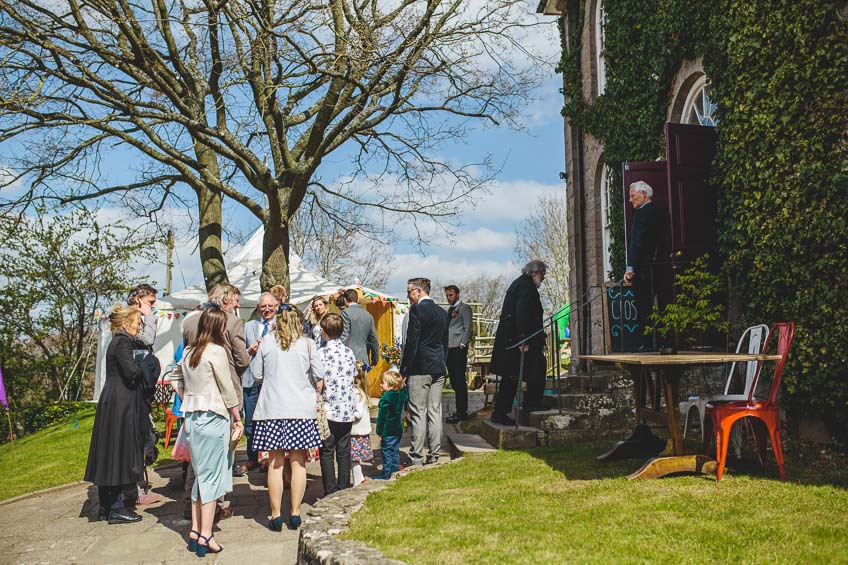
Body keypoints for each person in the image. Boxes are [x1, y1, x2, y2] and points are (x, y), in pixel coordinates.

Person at [171, 308, 242, 557]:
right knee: (211, 478)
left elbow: (173, 376)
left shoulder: (190, 350)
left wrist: (187, 397)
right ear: (218, 327)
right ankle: (206, 534)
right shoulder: (216, 351)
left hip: (191, 417)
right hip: (213, 417)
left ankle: (194, 530)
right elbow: (227, 388)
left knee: (200, 475)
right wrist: (237, 416)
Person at [84, 304, 160, 524]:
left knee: (114, 451)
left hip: (117, 401)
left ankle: (110, 505)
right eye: (138, 323)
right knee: (120, 452)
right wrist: (147, 363)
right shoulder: (122, 342)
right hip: (120, 404)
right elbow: (132, 373)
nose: (140, 326)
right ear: (127, 323)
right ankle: (115, 506)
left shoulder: (120, 342)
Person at [251, 305, 325, 531]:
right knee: (298, 462)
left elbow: (256, 375)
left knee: (275, 464)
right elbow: (320, 373)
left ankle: (275, 515)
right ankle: (294, 512)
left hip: (272, 409)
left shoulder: (266, 343)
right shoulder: (308, 344)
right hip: (300, 410)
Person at [181, 282, 250, 517]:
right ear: (225, 300)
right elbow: (242, 359)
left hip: (195, 397)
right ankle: (216, 504)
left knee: (197, 457)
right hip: (224, 394)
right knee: (222, 455)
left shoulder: (189, 321)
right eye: (235, 301)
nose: (237, 305)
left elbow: (185, 362)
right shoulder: (231, 322)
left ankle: (192, 498)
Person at [489, 260, 547, 426]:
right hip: (519, 341)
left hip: (513, 339)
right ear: (535, 272)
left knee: (513, 376)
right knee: (527, 370)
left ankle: (502, 411)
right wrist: (523, 339)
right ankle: (529, 403)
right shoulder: (526, 287)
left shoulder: (520, 284)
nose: (543, 278)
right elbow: (521, 313)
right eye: (542, 274)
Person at [399, 277, 449, 466]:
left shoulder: (417, 310)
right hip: (438, 366)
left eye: (409, 291)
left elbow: (412, 342)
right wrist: (443, 362)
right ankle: (435, 454)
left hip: (420, 367)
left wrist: (404, 369)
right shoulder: (442, 312)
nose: (408, 296)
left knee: (418, 412)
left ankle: (416, 457)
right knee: (435, 411)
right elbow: (445, 343)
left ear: (419, 291)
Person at [125, 283, 162, 506]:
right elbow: (146, 340)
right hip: (134, 391)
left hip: (141, 388)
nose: (153, 307)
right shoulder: (132, 318)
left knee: (145, 434)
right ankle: (136, 490)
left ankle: (138, 486)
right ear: (138, 300)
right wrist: (148, 317)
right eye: (150, 303)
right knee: (139, 437)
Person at [317, 313, 357, 495]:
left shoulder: (321, 353)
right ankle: (343, 486)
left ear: (324, 332)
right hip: (346, 407)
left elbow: (318, 379)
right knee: (344, 449)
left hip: (329, 408)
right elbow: (353, 375)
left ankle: (330, 490)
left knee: (327, 450)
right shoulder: (349, 352)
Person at [239, 292, 277, 473]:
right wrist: (250, 349)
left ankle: (270, 457)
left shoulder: (280, 326)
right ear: (258, 308)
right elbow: (240, 354)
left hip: (272, 381)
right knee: (251, 422)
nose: (267, 309)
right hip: (250, 380)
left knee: (270, 421)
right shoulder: (249, 326)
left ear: (276, 307)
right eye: (263, 306)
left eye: (270, 306)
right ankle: (252, 457)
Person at [623, 180, 661, 351]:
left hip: (643, 268)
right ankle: (660, 340)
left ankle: (647, 343)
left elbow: (636, 243)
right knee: (658, 305)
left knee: (643, 306)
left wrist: (630, 268)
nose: (630, 200)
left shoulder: (641, 214)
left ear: (643, 194)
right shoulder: (659, 211)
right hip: (658, 266)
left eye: (632, 196)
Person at [444, 285, 474, 423]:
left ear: (457, 295)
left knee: (460, 380)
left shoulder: (464, 308)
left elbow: (468, 327)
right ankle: (459, 409)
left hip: (458, 347)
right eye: (447, 295)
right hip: (449, 347)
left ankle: (462, 411)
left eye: (451, 295)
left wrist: (463, 344)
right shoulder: (449, 310)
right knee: (454, 381)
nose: (448, 297)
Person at [375, 370, 407, 479]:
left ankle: (386, 474)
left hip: (387, 430)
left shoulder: (386, 398)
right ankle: (394, 471)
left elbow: (382, 417)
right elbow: (405, 393)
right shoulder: (400, 394)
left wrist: (379, 431)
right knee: (395, 451)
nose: (380, 384)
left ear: (391, 385)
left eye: (383, 383)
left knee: (386, 453)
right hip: (397, 429)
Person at [340, 288, 379, 368]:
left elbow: (344, 336)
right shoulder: (368, 315)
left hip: (349, 359)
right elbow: (373, 339)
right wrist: (375, 359)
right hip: (364, 359)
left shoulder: (345, 313)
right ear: (357, 299)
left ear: (344, 300)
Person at [350, 363, 373, 486]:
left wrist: (348, 417)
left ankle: (357, 481)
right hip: (360, 431)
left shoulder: (356, 393)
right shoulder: (362, 392)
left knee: (353, 459)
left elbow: (358, 413)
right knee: (354, 459)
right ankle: (360, 478)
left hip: (356, 432)